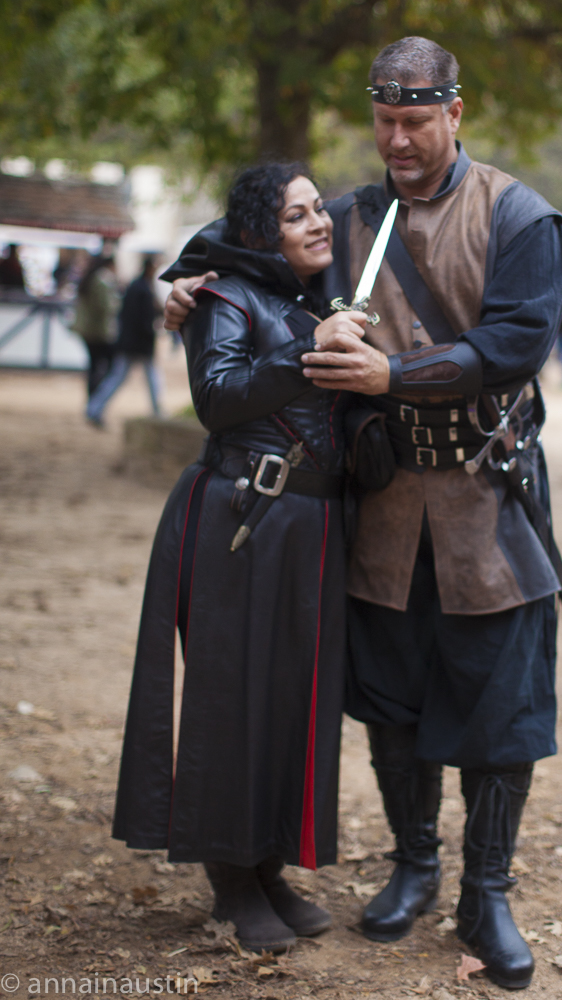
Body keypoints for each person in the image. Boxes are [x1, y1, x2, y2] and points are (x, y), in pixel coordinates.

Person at [164, 37, 562, 991]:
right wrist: (183, 289)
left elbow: (513, 341)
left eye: (415, 121)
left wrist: (396, 373)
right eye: (384, 120)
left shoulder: (518, 215)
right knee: (393, 699)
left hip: (486, 495)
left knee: (496, 707)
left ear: (454, 113)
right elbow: (233, 257)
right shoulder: (346, 218)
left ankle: (487, 892)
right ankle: (415, 866)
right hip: (381, 503)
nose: (396, 137)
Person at [113, 163, 371, 955]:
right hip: (243, 519)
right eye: (295, 217)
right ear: (262, 232)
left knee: (290, 702)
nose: (317, 224)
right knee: (232, 702)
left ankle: (264, 865)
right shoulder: (222, 298)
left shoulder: (314, 299)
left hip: (313, 527)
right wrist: (305, 349)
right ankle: (229, 878)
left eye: (317, 210)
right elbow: (218, 399)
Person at [86, 255, 164, 426]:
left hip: (131, 342)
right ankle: (94, 409)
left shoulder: (138, 286)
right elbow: (139, 318)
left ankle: (94, 409)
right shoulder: (141, 288)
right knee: (131, 377)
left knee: (119, 377)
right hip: (137, 343)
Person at [71, 253, 119, 398]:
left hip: (87, 331)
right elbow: (106, 307)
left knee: (94, 365)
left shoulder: (89, 278)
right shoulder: (102, 280)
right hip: (99, 331)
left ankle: (92, 399)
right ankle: (96, 398)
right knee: (109, 365)